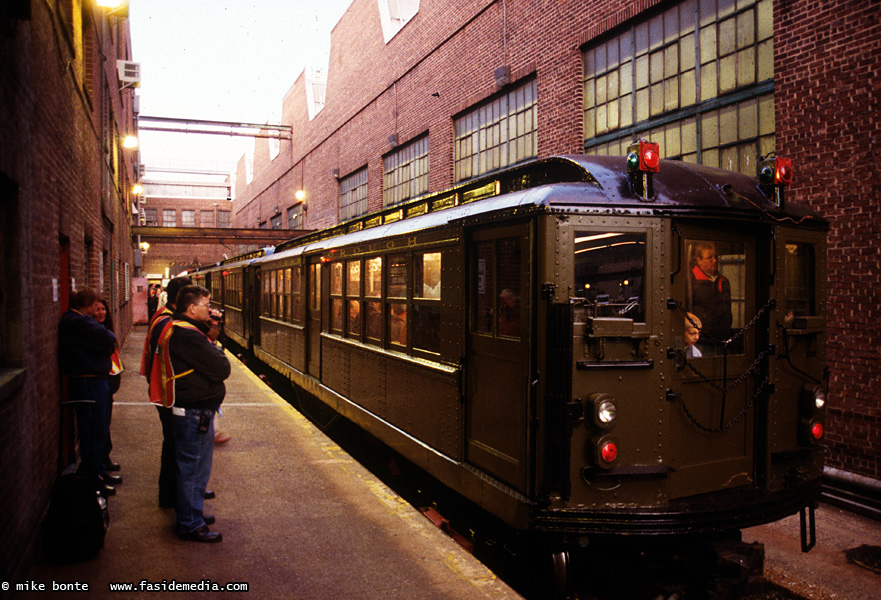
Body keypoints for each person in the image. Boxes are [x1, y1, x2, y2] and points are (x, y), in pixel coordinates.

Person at [155, 285, 230, 542]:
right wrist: (217, 354)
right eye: (205, 306)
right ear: (191, 308)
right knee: (194, 467)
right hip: (193, 411)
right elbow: (221, 367)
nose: (209, 310)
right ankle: (190, 523)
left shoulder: (180, 329)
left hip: (190, 408)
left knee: (192, 466)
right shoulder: (187, 335)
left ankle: (192, 513)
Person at [58, 288, 118, 497]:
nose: (96, 309)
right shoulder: (76, 321)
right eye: (94, 304)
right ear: (86, 303)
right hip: (89, 383)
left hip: (92, 382)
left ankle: (98, 473)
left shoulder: (79, 320)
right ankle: (93, 480)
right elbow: (108, 337)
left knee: (98, 430)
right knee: (93, 432)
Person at [140, 275, 192, 508]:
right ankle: (174, 495)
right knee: (176, 445)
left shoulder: (162, 317)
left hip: (164, 389)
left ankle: (177, 491)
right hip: (169, 393)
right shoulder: (169, 323)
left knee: (174, 444)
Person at [94, 299, 123, 477]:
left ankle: (105, 459)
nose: (101, 312)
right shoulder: (99, 333)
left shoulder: (106, 330)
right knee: (100, 426)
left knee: (105, 424)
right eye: (96, 309)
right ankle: (102, 465)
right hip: (102, 383)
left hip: (109, 385)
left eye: (103, 309)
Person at [689, 241, 732, 354]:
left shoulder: (723, 281)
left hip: (721, 340)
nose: (715, 261)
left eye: (715, 257)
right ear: (699, 260)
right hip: (700, 341)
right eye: (709, 258)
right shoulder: (690, 281)